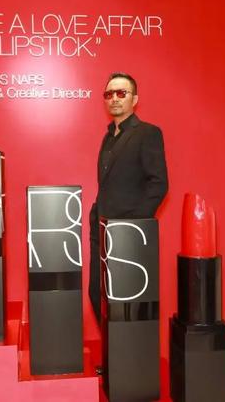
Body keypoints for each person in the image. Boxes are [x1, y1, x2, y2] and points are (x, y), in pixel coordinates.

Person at [88, 72, 168, 324]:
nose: (114, 98)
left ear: (134, 99)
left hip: (127, 235)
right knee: (98, 295)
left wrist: (133, 226)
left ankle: (123, 351)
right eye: (109, 94)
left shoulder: (147, 133)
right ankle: (112, 350)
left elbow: (159, 184)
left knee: (125, 304)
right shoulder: (108, 137)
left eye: (121, 93)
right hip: (101, 232)